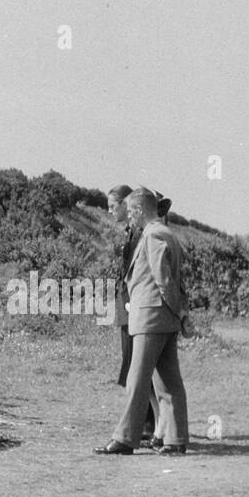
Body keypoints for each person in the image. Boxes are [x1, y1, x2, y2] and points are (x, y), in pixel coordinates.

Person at [95, 187, 190, 456]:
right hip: (163, 318)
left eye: (132, 212)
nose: (130, 218)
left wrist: (179, 312)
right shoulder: (167, 233)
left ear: (137, 210)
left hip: (151, 318)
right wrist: (179, 313)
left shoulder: (153, 235)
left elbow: (164, 280)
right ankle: (175, 439)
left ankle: (125, 439)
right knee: (169, 382)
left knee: (137, 380)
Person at [101, 185, 157, 440]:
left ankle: (147, 424)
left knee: (138, 365)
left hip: (135, 304)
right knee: (132, 363)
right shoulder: (133, 231)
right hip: (128, 303)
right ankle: (147, 423)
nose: (110, 211)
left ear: (127, 204)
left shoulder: (140, 232)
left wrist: (130, 300)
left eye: (113, 206)